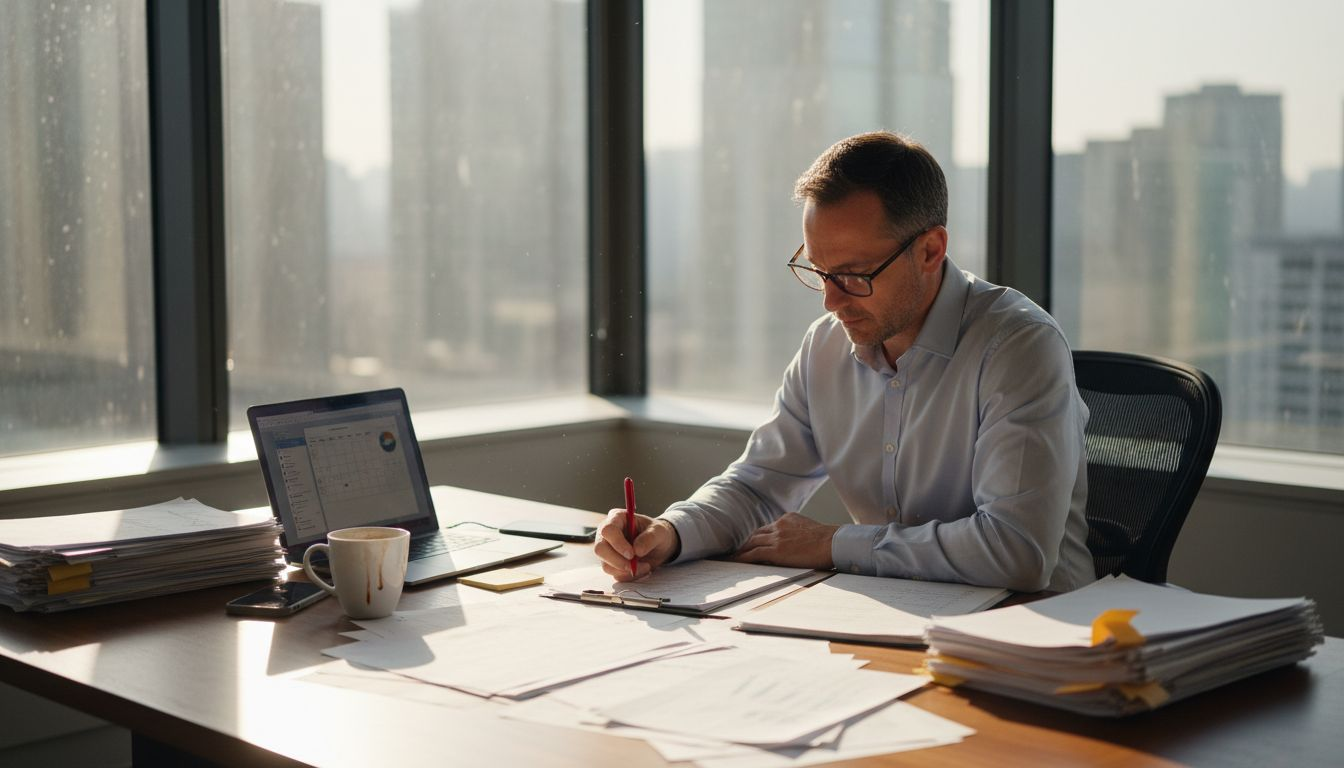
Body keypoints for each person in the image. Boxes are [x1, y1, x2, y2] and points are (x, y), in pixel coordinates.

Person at [597, 131, 1093, 593]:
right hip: (891, 615)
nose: (831, 303)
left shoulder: (1018, 345)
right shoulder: (826, 347)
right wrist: (670, 532)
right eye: (819, 271)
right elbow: (757, 488)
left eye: (854, 275)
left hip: (1036, 636)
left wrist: (830, 545)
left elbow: (1015, 552)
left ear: (930, 250)